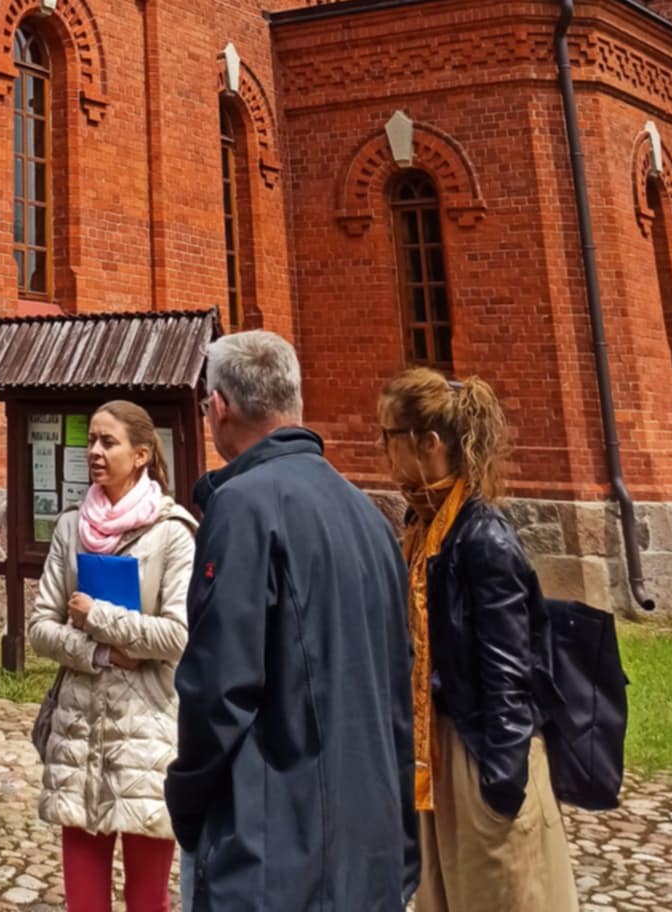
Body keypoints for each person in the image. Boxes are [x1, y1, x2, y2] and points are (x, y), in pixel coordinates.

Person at [166, 332, 418, 912]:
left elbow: (219, 688)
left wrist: (187, 799)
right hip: (368, 835)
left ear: (220, 406)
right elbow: (397, 685)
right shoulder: (368, 515)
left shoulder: (242, 506)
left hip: (271, 848)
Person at [379, 369, 579, 912]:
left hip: (478, 755)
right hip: (438, 754)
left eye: (389, 436)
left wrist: (501, 786)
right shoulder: (424, 528)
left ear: (428, 444)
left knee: (502, 897)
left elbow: (508, 670)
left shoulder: (481, 537)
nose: (383, 451)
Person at [28, 399, 194, 912]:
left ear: (141, 454)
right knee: (83, 901)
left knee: (148, 900)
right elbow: (40, 627)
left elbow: (177, 636)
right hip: (78, 735)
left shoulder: (172, 531)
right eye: (91, 441)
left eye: (108, 442)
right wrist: (98, 651)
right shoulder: (70, 527)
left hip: (147, 731)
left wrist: (98, 616)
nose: (94, 451)